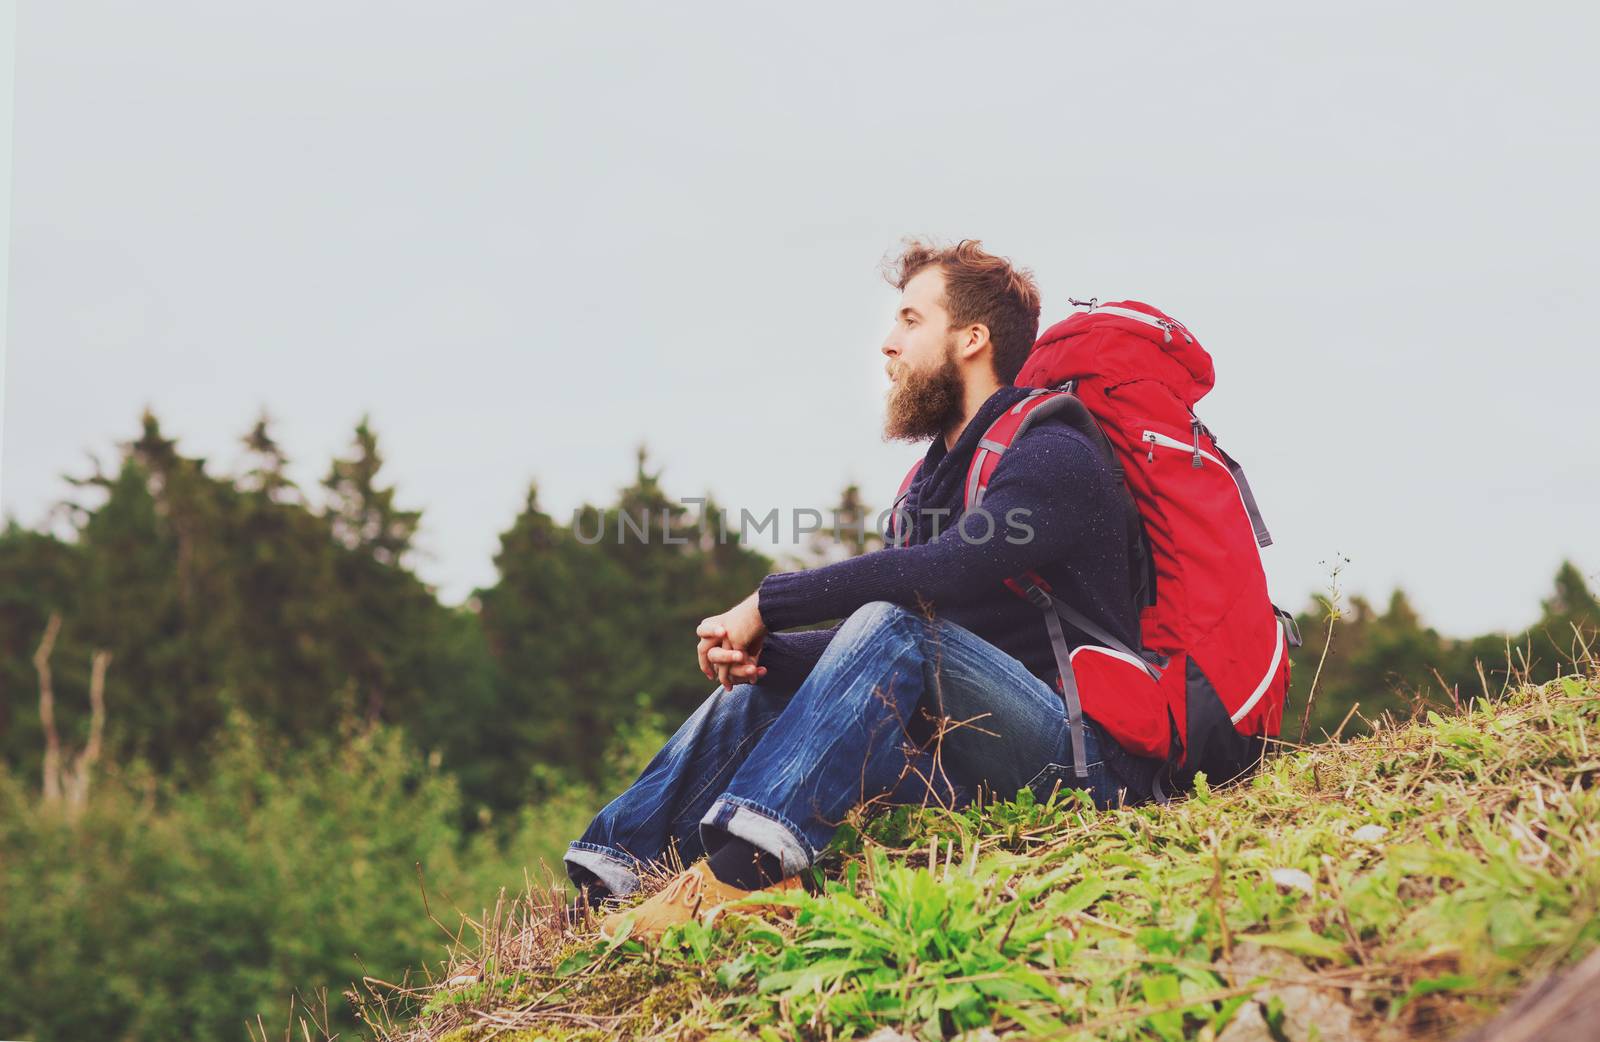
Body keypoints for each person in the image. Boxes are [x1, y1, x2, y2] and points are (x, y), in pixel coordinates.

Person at [563, 239, 1165, 939]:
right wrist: (772, 659)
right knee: (761, 687)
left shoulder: (1055, 454)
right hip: (969, 766)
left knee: (894, 625)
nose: (888, 344)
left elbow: (941, 576)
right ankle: (602, 891)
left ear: (972, 339)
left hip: (1080, 765)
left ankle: (748, 875)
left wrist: (766, 604)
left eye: (911, 321)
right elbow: (888, 651)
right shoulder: (932, 483)